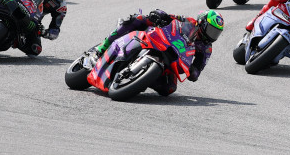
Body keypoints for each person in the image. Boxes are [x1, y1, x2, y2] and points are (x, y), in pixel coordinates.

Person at [90, 9, 224, 96]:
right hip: (160, 39)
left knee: (169, 88)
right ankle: (103, 47)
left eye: (216, 33)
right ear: (202, 23)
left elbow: (198, 69)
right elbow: (171, 17)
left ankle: (141, 79)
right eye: (211, 30)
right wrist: (160, 15)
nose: (212, 35)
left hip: (173, 59)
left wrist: (193, 71)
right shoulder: (189, 22)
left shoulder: (207, 49)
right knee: (139, 18)